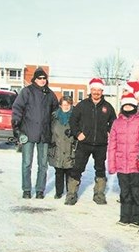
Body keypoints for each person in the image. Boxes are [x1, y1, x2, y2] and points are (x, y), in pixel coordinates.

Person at [66, 78, 117, 205]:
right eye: (94, 90)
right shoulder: (82, 105)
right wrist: (77, 133)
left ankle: (99, 194)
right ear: (90, 90)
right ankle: (71, 194)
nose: (96, 92)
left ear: (102, 91)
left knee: (100, 169)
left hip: (101, 144)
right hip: (84, 143)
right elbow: (73, 121)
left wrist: (109, 131)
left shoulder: (107, 107)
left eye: (98, 90)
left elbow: (114, 122)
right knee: (77, 168)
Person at [11, 67, 59, 199]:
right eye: (40, 78)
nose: (42, 80)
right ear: (35, 79)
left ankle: (40, 190)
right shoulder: (27, 92)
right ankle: (26, 189)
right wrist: (16, 127)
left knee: (43, 164)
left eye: (44, 78)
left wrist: (55, 129)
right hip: (28, 132)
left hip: (44, 135)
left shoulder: (50, 94)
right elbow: (17, 109)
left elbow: (56, 112)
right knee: (27, 163)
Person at [108, 92, 139, 226]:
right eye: (125, 106)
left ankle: (137, 218)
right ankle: (125, 217)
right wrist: (112, 164)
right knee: (124, 191)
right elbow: (112, 145)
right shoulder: (116, 123)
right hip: (121, 163)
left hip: (136, 164)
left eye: (131, 106)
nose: (128, 108)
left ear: (135, 107)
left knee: (137, 192)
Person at [48, 96, 75, 199]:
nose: (66, 107)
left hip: (70, 147)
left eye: (68, 104)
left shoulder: (75, 117)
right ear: (60, 105)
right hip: (57, 147)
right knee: (58, 171)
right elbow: (49, 130)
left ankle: (70, 191)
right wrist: (51, 141)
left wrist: (74, 133)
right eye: (64, 105)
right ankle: (58, 192)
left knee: (70, 172)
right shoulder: (54, 117)